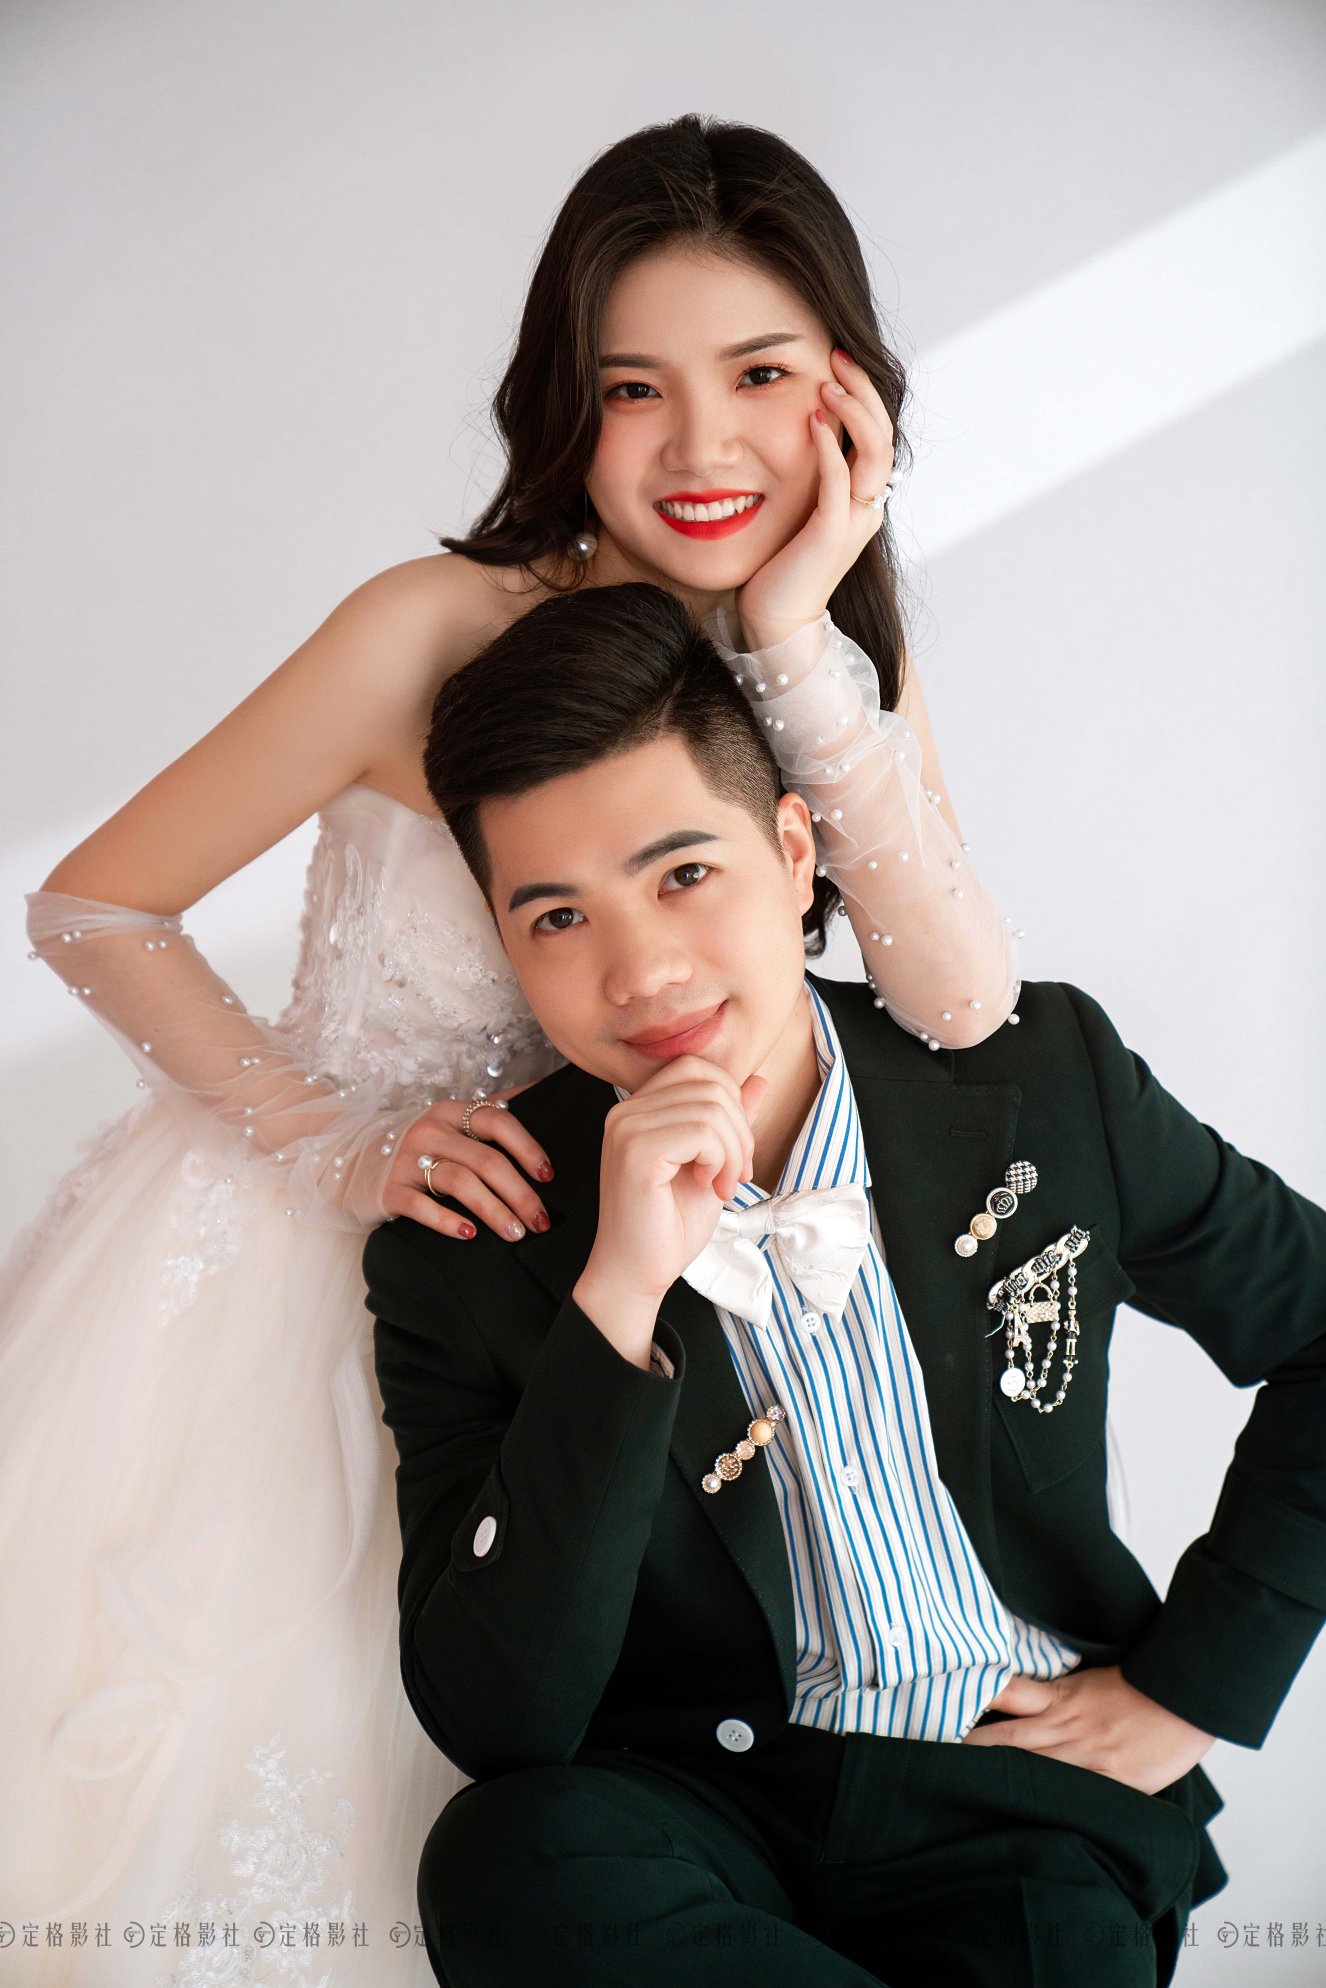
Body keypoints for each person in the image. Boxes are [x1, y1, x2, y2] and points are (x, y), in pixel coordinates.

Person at [1, 116, 1020, 1978]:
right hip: (326, 1262)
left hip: (602, 1290)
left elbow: (955, 1005)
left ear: (848, 397)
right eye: (633, 389)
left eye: (759, 377)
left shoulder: (818, 654)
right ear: (565, 403)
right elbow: (93, 906)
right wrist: (338, 1140)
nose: (700, 448)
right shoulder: (433, 628)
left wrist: (795, 629)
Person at [366, 579, 1326, 1988]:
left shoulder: (1037, 1080)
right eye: (558, 917)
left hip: (1025, 1791)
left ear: (792, 847)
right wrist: (617, 1293)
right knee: (504, 1858)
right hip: (697, 1799)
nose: (640, 972)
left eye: (682, 875)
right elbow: (495, 1720)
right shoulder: (469, 1235)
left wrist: (1198, 1686)